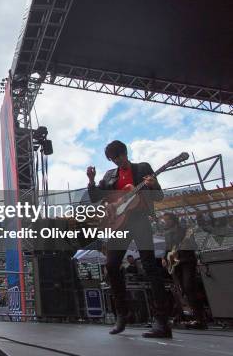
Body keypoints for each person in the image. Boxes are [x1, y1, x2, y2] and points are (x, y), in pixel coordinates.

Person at [87, 140, 169, 338]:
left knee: (150, 266)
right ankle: (123, 314)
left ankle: (161, 321)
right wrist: (91, 180)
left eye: (119, 157)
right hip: (118, 223)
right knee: (112, 265)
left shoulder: (143, 169)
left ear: (125, 153)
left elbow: (159, 197)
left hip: (139, 219)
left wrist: (154, 184)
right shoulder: (109, 176)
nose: (117, 161)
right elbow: (96, 196)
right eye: (113, 159)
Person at [162, 212, 206, 329]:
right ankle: (193, 317)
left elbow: (193, 245)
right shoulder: (167, 233)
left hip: (187, 261)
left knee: (189, 287)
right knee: (183, 290)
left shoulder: (185, 230)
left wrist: (185, 245)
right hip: (176, 264)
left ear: (174, 220)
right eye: (164, 220)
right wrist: (164, 257)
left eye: (167, 220)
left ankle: (200, 319)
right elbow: (168, 248)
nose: (165, 222)